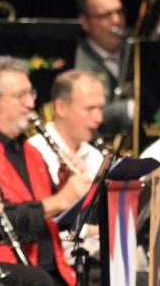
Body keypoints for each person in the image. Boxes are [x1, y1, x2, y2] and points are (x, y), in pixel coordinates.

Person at [0, 56, 94, 286]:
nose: (31, 104)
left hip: (54, 268)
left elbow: (55, 215)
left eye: (30, 94)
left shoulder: (31, 151)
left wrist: (66, 186)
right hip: (12, 272)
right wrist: (60, 200)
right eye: (19, 96)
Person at [26, 69, 105, 276]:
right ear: (61, 107)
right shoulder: (34, 151)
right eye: (89, 109)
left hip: (93, 263)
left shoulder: (95, 156)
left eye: (100, 108)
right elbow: (39, 220)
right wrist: (95, 231)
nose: (98, 118)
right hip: (51, 267)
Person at [74, 0, 133, 139]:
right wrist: (128, 110)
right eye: (105, 15)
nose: (117, 20)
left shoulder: (135, 53)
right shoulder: (77, 63)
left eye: (119, 12)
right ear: (85, 22)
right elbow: (80, 115)